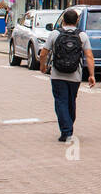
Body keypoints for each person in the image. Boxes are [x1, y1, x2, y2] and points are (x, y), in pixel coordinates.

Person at [39, 8, 96, 142]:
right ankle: (68, 127)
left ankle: (66, 130)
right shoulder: (82, 36)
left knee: (61, 102)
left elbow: (43, 53)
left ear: (63, 20)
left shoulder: (55, 34)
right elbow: (89, 56)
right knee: (71, 102)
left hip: (57, 74)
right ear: (77, 21)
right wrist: (92, 75)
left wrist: (43, 66)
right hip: (75, 76)